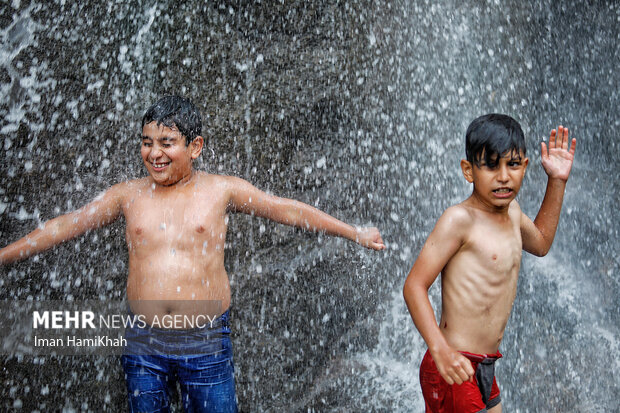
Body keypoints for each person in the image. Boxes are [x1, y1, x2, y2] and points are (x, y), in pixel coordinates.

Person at [0, 95, 385, 412]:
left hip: (205, 338)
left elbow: (287, 209)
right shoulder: (128, 195)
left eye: (167, 143)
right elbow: (65, 224)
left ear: (195, 147)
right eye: (147, 142)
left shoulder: (221, 190)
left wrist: (353, 232)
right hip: (145, 341)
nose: (154, 154)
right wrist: (4, 255)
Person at [403, 114, 576, 412]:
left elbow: (542, 243)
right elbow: (414, 286)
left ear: (525, 166)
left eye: (512, 164)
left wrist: (557, 180)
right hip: (452, 363)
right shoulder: (459, 220)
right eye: (491, 165)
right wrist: (439, 348)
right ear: (468, 171)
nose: (503, 176)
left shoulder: (513, 215)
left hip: (483, 366)